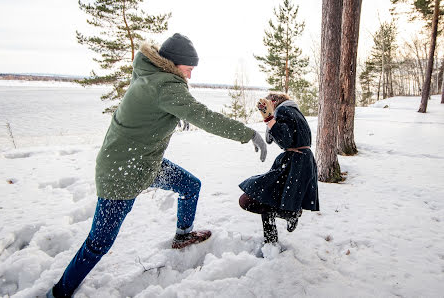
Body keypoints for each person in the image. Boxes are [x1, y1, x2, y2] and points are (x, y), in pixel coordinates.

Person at [46, 33, 267, 298]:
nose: (190, 76)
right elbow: (205, 117)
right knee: (98, 243)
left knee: (190, 185)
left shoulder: (147, 72)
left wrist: (174, 115)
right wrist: (247, 133)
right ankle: (59, 292)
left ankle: (182, 235)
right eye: (188, 70)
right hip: (122, 172)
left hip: (145, 163)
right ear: (174, 64)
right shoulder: (166, 86)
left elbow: (151, 106)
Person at [238, 93, 319, 244]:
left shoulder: (283, 111)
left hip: (295, 163)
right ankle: (271, 242)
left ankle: (290, 215)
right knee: (266, 198)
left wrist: (269, 119)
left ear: (274, 102)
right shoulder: (294, 112)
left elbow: (285, 140)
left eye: (269, 104)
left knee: (252, 200)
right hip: (299, 162)